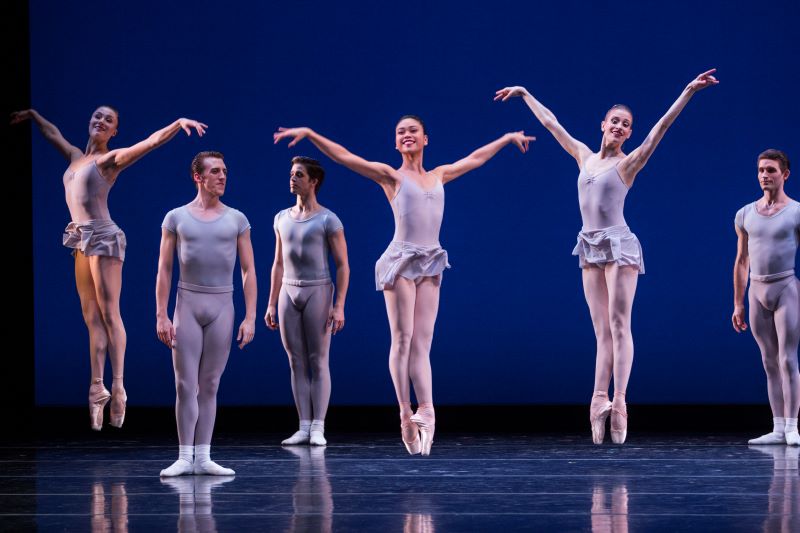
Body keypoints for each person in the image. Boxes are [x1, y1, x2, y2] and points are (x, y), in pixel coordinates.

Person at [274, 118, 534, 455]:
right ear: (396, 144)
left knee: (422, 344)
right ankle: (403, 412)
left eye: (412, 131)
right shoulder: (391, 176)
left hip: (430, 261)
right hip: (401, 261)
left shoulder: (439, 174)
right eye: (400, 132)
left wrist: (506, 137)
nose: (407, 135)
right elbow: (346, 158)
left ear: (425, 138)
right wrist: (311, 134)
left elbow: (475, 158)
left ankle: (426, 410)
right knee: (403, 339)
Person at [495, 69, 718, 444]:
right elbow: (552, 125)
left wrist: (687, 91)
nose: (619, 126)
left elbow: (660, 129)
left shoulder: (627, 164)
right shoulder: (584, 156)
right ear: (603, 124)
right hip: (590, 244)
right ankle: (598, 400)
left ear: (629, 133)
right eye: (614, 120)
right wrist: (525, 93)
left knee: (619, 324)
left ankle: (620, 400)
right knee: (601, 331)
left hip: (619, 244)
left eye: (626, 125)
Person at [10, 107, 206, 430]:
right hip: (80, 238)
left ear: (114, 132)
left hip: (104, 237)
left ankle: (118, 386)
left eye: (108, 120)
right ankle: (96, 386)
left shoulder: (109, 160)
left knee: (109, 312)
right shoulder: (75, 157)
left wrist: (178, 123)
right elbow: (52, 133)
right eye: (97, 116)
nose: (100, 121)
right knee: (91, 318)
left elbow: (150, 143)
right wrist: (32, 115)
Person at [156, 151, 257, 476]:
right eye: (215, 171)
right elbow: (165, 268)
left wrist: (250, 315)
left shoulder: (237, 219)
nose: (222, 176)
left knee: (210, 383)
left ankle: (204, 456)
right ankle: (184, 456)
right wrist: (161, 314)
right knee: (186, 384)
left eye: (225, 171)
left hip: (221, 307)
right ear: (197, 177)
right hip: (187, 304)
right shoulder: (176, 217)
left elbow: (248, 270)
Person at [265, 156, 350, 446]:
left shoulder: (328, 219)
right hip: (289, 291)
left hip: (318, 290)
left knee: (318, 359)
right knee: (296, 361)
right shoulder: (280, 218)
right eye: (291, 174)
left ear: (313, 181)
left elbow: (343, 265)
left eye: (299, 175)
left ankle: (318, 426)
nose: (292, 179)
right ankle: (303, 425)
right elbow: (277, 263)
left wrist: (339, 305)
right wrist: (270, 302)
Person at [733, 149, 799, 446]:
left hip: (785, 287)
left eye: (771, 170)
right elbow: (741, 261)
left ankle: (793, 426)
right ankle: (778, 426)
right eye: (761, 170)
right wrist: (738, 302)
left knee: (787, 359)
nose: (764, 175)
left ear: (784, 174)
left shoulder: (796, 212)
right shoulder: (745, 214)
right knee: (768, 361)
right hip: (756, 292)